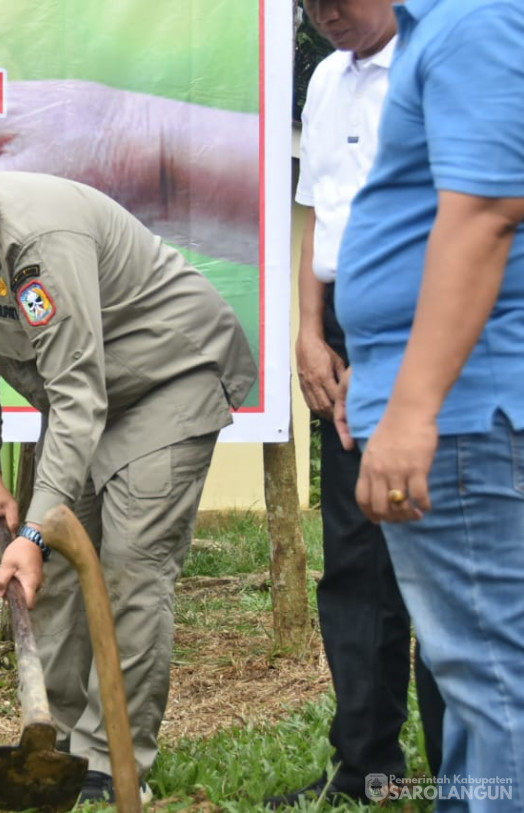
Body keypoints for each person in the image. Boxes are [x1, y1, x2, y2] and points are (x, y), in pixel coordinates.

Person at [0, 126, 257, 803]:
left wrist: (32, 533)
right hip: (92, 400)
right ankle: (54, 742)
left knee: (127, 567)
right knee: (58, 575)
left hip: (168, 377)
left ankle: (111, 761)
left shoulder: (35, 239)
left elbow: (75, 392)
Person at [332, 1, 524, 806]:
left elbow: (485, 213)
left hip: (461, 414)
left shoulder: (476, 17)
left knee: (491, 681)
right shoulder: (440, 27)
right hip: (445, 406)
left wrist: (411, 409)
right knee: (477, 680)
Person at [269, 0, 443, 805]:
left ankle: (463, 768)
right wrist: (308, 331)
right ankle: (367, 766)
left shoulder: (439, 58)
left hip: (431, 323)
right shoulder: (327, 78)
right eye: (309, 4)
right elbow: (317, 210)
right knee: (354, 556)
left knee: (439, 555)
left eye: (338, 0)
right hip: (341, 327)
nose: (325, 15)